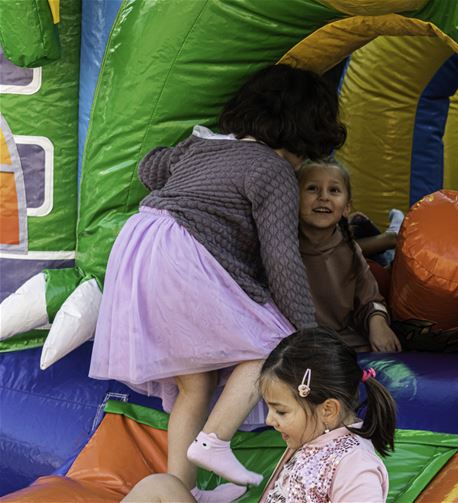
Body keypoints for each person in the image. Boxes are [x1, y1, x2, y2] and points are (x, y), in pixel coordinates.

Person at [90, 64, 346, 501]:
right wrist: (309, 336)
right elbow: (281, 259)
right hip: (187, 253)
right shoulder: (272, 171)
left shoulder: (202, 145)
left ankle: (181, 491)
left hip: (140, 245)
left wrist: (184, 160)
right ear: (306, 134)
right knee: (272, 344)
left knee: (195, 383)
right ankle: (215, 441)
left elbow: (150, 167)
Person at [123, 328, 396, 503]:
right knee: (161, 486)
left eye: (281, 411)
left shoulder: (355, 463)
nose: (270, 420)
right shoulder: (315, 437)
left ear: (328, 410)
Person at [297, 160, 402, 353]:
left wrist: (377, 323)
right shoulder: (284, 246)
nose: (323, 197)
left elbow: (369, 297)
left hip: (338, 338)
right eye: (312, 189)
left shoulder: (348, 250)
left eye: (334, 190)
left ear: (346, 208)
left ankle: (390, 239)